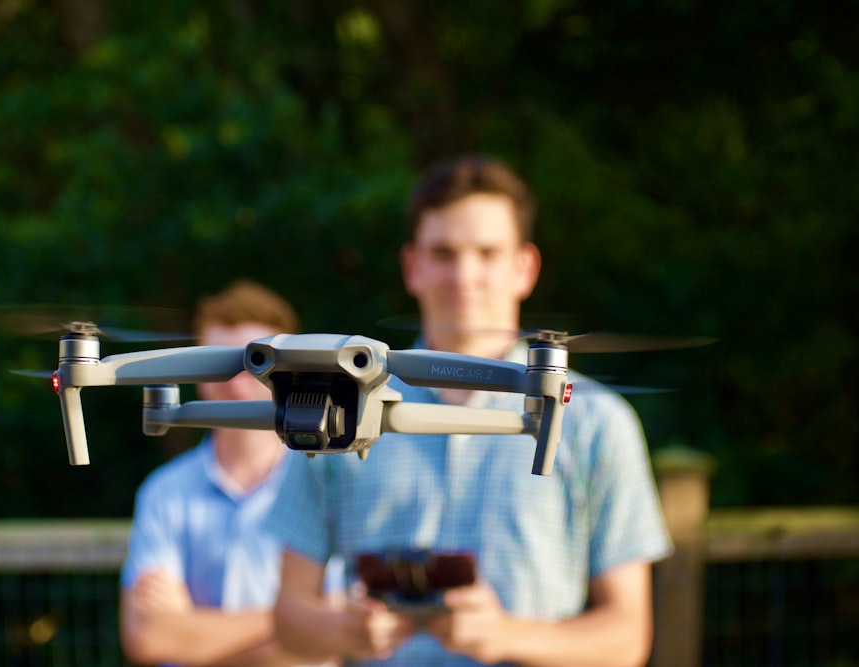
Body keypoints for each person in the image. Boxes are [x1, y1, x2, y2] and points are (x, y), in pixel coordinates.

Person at [267, 155, 674, 666]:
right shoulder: (340, 411)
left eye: (487, 252)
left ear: (524, 268)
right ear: (412, 267)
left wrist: (506, 636)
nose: (464, 275)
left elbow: (627, 638)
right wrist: (342, 629)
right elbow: (287, 620)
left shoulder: (595, 420)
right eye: (444, 252)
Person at [119, 279, 343, 667]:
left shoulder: (328, 485)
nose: (236, 380)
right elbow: (148, 636)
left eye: (255, 363)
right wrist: (294, 621)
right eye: (218, 362)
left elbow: (335, 639)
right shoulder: (163, 491)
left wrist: (190, 632)